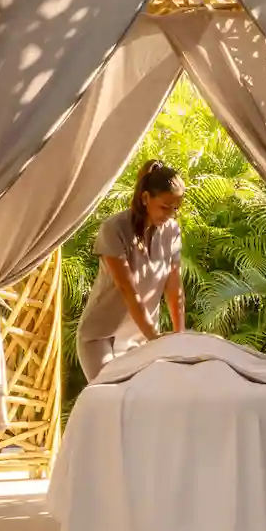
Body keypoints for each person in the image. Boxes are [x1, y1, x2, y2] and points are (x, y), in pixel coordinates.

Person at [76, 159, 186, 382]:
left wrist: (180, 338)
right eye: (164, 207)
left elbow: (174, 287)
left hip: (141, 340)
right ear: (145, 198)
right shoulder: (114, 229)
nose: (170, 214)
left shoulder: (171, 231)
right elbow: (127, 289)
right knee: (110, 397)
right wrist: (154, 337)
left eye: (175, 209)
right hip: (101, 337)